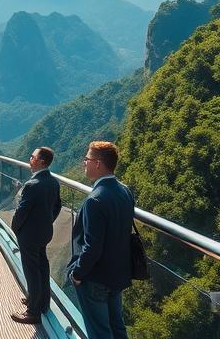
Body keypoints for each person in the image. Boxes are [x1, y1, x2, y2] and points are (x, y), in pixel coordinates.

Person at [67, 141, 134, 339]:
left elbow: (92, 247)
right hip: (118, 274)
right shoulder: (125, 191)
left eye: (87, 159)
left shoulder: (94, 200)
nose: (84, 163)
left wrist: (77, 274)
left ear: (97, 163)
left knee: (99, 332)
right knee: (117, 328)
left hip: (95, 278)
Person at [10, 146, 61, 325]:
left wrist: (15, 228)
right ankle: (42, 303)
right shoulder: (53, 182)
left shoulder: (32, 184)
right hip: (44, 232)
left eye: (32, 157)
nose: (29, 159)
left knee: (31, 270)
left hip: (29, 235)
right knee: (42, 267)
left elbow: (22, 212)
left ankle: (33, 312)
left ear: (41, 162)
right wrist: (47, 221)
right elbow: (57, 207)